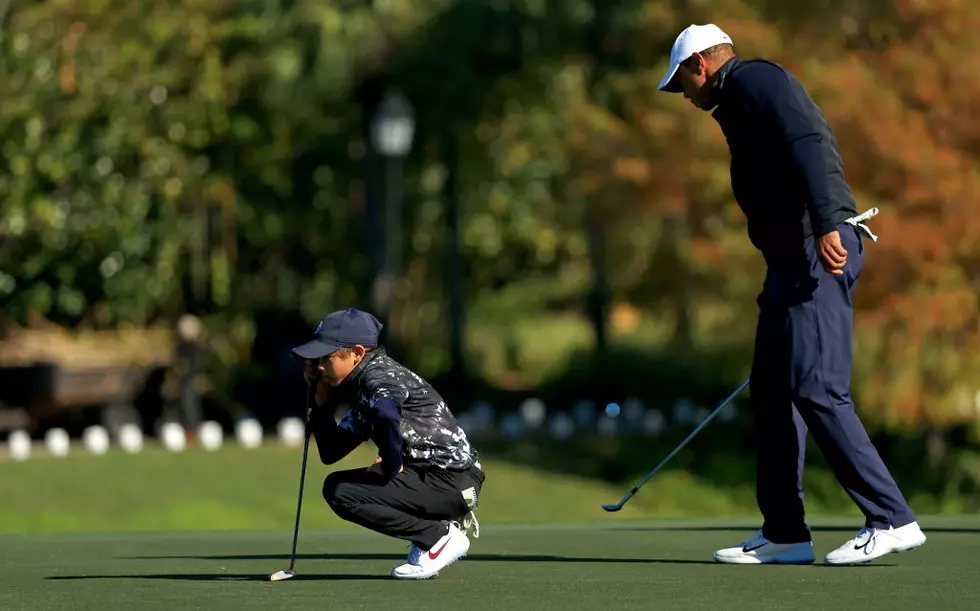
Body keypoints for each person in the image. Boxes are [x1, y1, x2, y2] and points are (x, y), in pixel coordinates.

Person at [656, 24, 926, 565]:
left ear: (698, 66)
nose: (683, 97)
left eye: (680, 84)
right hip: (789, 262)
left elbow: (808, 140)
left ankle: (892, 518)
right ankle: (784, 532)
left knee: (817, 385)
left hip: (817, 248)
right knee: (774, 390)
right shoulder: (735, 101)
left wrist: (828, 221)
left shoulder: (756, 79)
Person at [291, 307, 485, 579]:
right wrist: (320, 401)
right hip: (437, 480)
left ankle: (438, 537)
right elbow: (331, 451)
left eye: (326, 356)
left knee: (342, 492)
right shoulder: (366, 390)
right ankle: (433, 534)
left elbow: (385, 412)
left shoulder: (380, 376)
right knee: (337, 488)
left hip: (452, 481)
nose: (319, 365)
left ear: (357, 353)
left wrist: (391, 463)